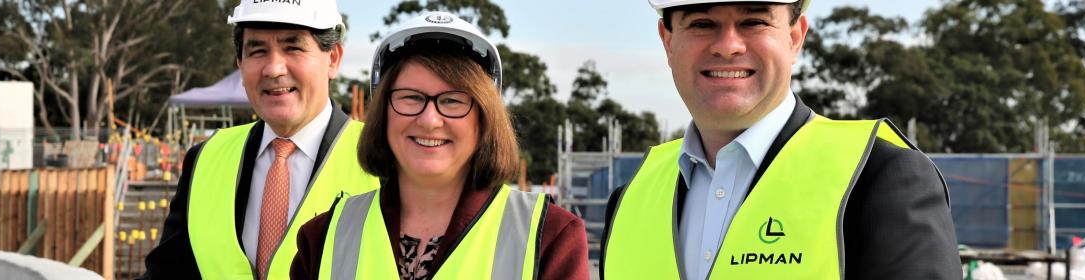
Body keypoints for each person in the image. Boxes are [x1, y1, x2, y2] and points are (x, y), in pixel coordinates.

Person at [600, 0, 960, 279]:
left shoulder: (878, 178)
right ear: (668, 41)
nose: (728, 46)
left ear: (794, 37)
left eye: (753, 21)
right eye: (702, 23)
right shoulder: (630, 200)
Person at [290, 12, 590, 280]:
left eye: (452, 101)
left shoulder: (551, 237)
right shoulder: (322, 238)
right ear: (384, 112)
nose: (430, 119)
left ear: (484, 118)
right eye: (410, 97)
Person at [142, 0, 379, 279]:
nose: (274, 69)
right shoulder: (206, 158)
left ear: (333, 59)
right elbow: (169, 273)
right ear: (240, 64)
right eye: (257, 50)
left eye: (293, 47)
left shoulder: (384, 158)